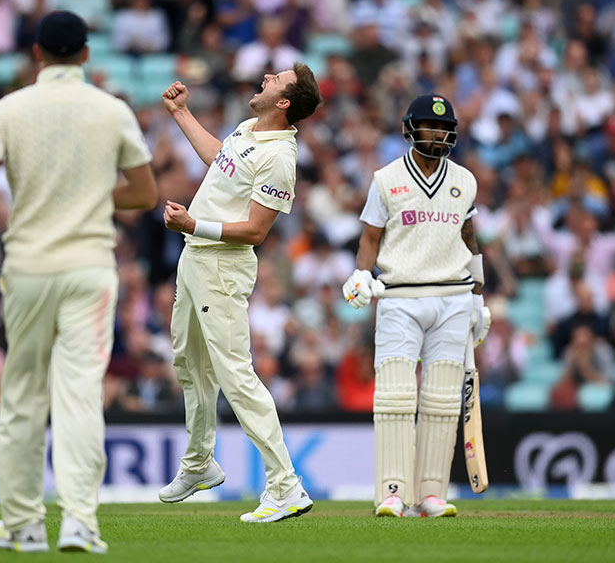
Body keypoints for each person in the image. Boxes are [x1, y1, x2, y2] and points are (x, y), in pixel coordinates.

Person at [0, 11, 157, 553]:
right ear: (86, 54)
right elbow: (144, 194)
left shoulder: (7, 109)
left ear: (36, 53)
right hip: (89, 269)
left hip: (29, 270)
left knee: (22, 396)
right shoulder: (113, 110)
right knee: (80, 395)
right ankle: (80, 521)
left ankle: (22, 525)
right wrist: (88, 199)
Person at [159, 63, 321, 522]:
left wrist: (193, 223)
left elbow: (255, 231)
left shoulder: (281, 158)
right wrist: (181, 113)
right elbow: (221, 159)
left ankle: (286, 486)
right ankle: (199, 463)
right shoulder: (250, 127)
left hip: (221, 267)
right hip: (195, 258)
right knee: (188, 362)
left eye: (277, 79)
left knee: (235, 375)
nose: (267, 77)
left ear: (284, 102)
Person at [341, 94, 488, 518]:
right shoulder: (386, 179)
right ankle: (392, 492)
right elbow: (370, 237)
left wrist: (479, 297)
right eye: (430, 126)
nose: (438, 134)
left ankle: (430, 494)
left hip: (453, 297)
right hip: (400, 296)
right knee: (395, 396)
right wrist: (361, 274)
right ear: (410, 129)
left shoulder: (465, 180)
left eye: (444, 128)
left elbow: (469, 237)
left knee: (442, 400)